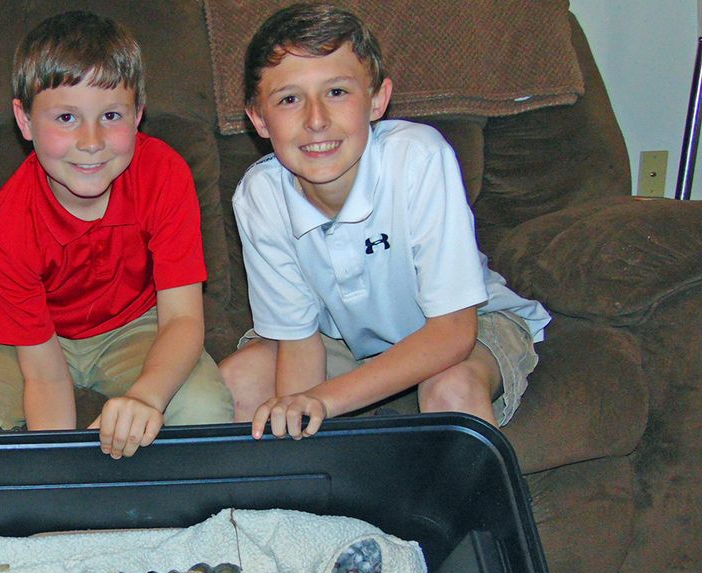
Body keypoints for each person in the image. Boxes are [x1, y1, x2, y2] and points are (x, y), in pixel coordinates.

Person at [220, 3, 550, 440]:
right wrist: (297, 422)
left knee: (450, 390)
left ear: (377, 100)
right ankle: (281, 508)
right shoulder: (259, 196)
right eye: (290, 99)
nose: (316, 120)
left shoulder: (419, 158)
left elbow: (453, 333)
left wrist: (325, 401)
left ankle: (483, 507)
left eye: (337, 92)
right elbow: (299, 346)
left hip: (467, 324)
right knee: (240, 378)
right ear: (259, 119)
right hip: (343, 340)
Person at [0, 10, 233, 458]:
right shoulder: (8, 224)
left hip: (137, 323)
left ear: (138, 115)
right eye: (65, 118)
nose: (90, 141)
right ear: (25, 122)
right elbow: (45, 377)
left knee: (204, 407)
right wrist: (61, 479)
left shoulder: (165, 174)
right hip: (34, 336)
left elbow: (183, 319)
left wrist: (146, 396)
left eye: (110, 115)